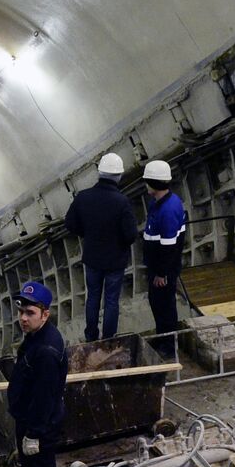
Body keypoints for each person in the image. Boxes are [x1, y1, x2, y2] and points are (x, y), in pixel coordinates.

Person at [7, 281, 69, 467]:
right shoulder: (37, 336)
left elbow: (44, 398)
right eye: (21, 311)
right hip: (29, 418)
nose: (23, 318)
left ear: (45, 314)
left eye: (30, 313)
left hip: (39, 424)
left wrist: (34, 434)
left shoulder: (46, 351)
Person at [64, 152, 137, 342]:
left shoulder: (83, 197)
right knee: (111, 300)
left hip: (93, 258)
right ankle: (108, 339)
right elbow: (131, 234)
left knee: (93, 297)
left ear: (99, 173)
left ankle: (91, 336)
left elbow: (70, 223)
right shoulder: (122, 202)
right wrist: (119, 242)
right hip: (115, 260)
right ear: (118, 176)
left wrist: (86, 233)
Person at [140, 159, 187, 356]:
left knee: (164, 306)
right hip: (158, 266)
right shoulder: (162, 202)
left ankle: (168, 346)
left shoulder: (167, 210)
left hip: (163, 269)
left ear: (153, 183)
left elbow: (168, 247)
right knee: (157, 303)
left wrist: (161, 274)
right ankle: (162, 338)